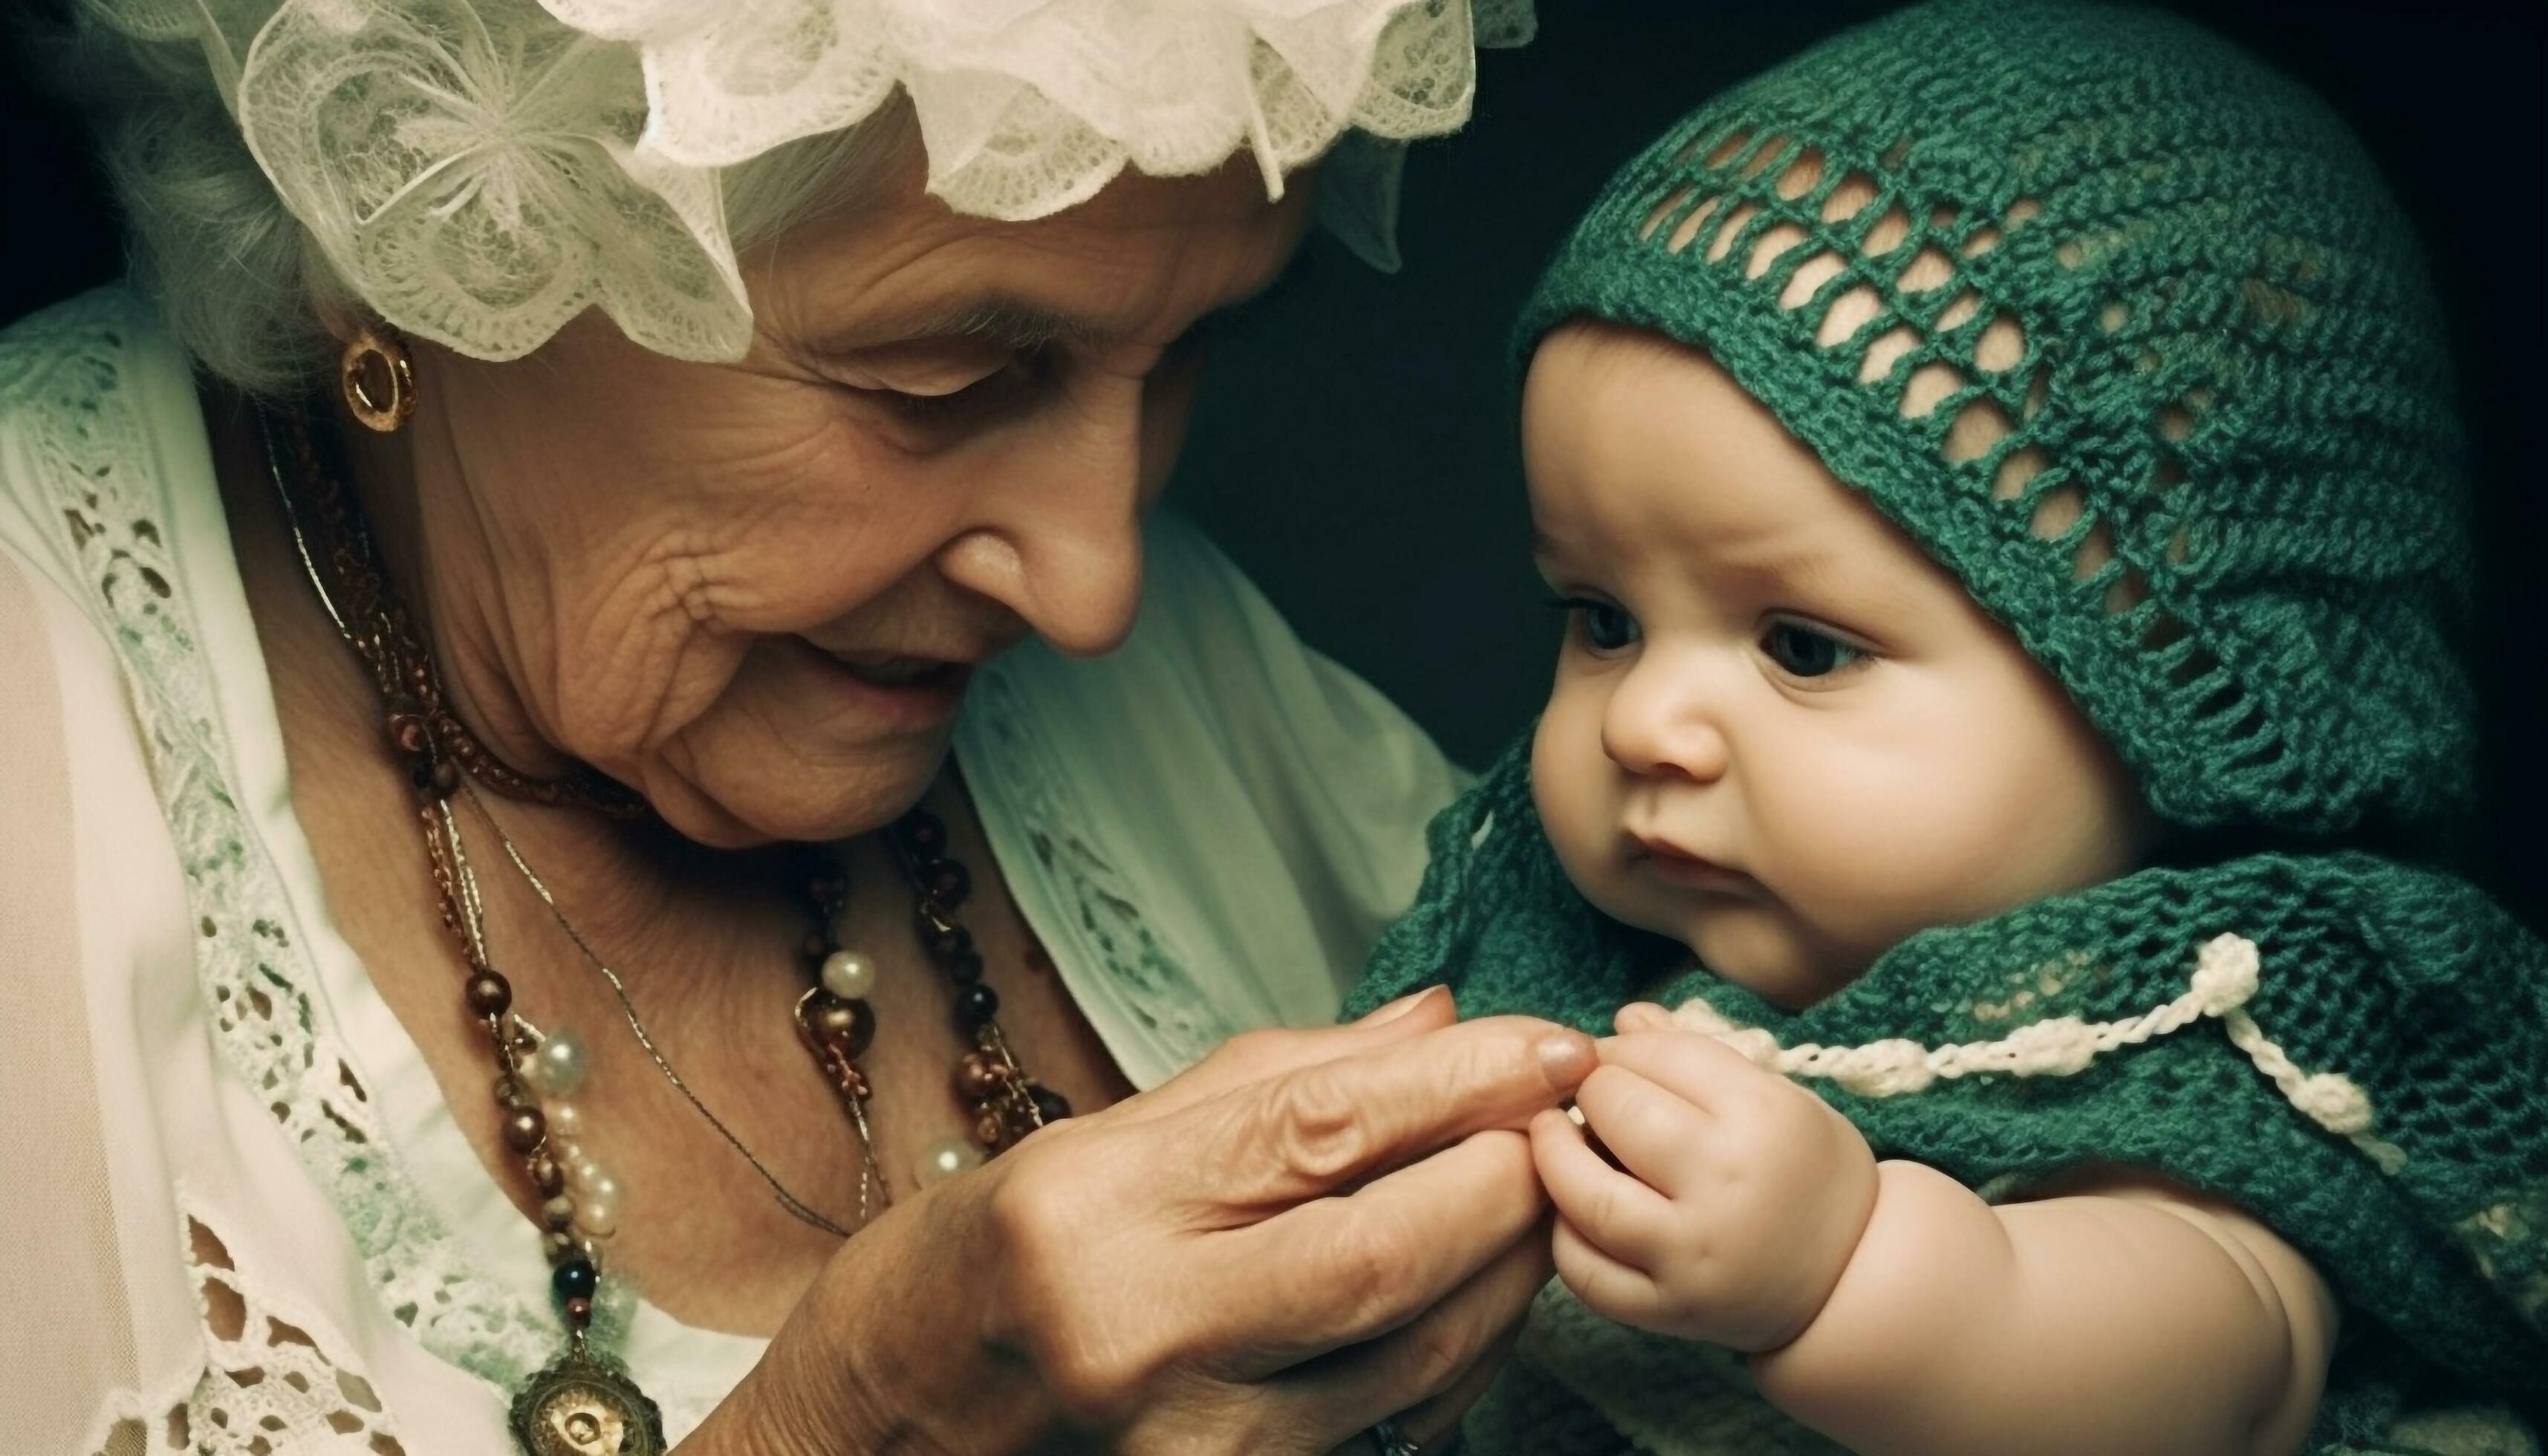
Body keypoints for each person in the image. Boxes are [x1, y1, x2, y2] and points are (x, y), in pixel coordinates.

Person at [0, 1, 1599, 1452]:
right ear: (411, 210)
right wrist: (851, 1421)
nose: (1094, 584)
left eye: (1187, 353)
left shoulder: (1155, 659)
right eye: (940, 378)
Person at [1348, 2, 2548, 1452]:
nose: (1647, 719)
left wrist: (1847, 1272)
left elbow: (2192, 1374)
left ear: (2171, 686)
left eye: (1801, 645)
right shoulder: (1567, 969)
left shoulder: (2210, 1038)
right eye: (1600, 617)